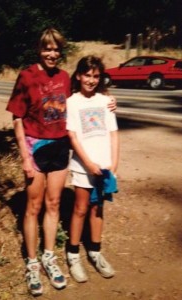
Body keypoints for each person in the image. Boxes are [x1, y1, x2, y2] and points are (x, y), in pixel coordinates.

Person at [6, 28, 117, 296]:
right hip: (35, 146)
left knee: (53, 204)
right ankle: (32, 263)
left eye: (56, 49)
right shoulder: (27, 76)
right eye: (47, 49)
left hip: (59, 147)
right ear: (39, 49)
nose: (52, 54)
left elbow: (84, 96)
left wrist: (110, 101)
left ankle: (48, 257)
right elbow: (17, 118)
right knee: (33, 207)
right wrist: (24, 156)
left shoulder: (65, 77)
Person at [66, 55, 119, 283]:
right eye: (87, 75)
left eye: (96, 76)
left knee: (98, 208)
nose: (91, 80)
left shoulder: (105, 101)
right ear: (78, 76)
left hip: (104, 165)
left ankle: (95, 251)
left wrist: (113, 164)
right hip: (82, 165)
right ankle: (73, 254)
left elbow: (113, 134)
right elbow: (73, 136)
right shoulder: (72, 102)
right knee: (80, 209)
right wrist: (88, 163)